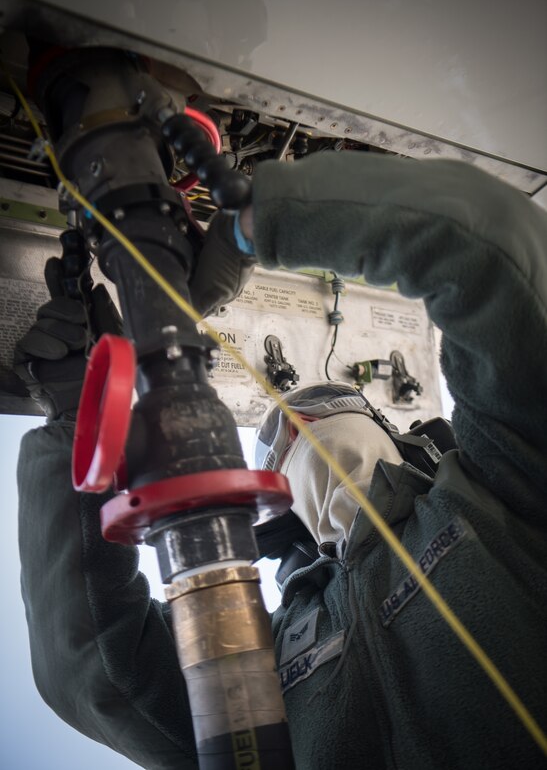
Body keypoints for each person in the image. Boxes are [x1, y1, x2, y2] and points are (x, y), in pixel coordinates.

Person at [15, 152, 547, 770]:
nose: (306, 439)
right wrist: (76, 430)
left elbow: (498, 261)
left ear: (399, 441)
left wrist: (259, 224)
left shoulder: (508, 488)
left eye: (326, 417)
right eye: (284, 450)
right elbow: (101, 668)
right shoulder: (260, 654)